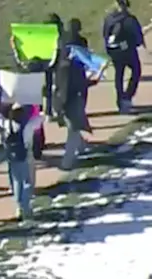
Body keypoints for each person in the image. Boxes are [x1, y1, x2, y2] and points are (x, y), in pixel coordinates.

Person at [58, 20, 92, 169]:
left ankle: (82, 146)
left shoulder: (61, 44)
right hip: (73, 96)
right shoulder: (73, 67)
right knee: (74, 127)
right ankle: (67, 162)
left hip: (64, 95)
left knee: (74, 125)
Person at [1, 103, 41, 221]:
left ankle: (19, 206)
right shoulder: (28, 125)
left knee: (16, 181)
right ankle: (26, 207)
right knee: (27, 181)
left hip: (11, 155)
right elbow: (40, 119)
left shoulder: (7, 124)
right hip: (25, 154)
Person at [104, 0, 144, 113]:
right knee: (136, 71)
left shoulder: (109, 19)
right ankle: (127, 96)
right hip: (128, 50)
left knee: (119, 75)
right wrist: (137, 43)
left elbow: (105, 35)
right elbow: (138, 37)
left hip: (114, 51)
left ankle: (120, 100)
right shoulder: (130, 19)